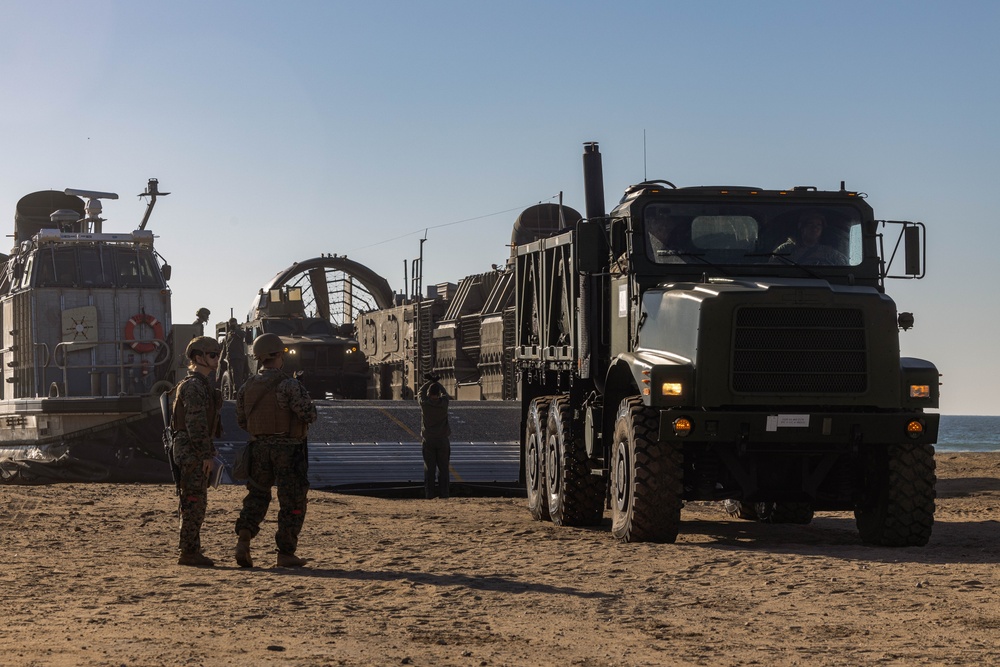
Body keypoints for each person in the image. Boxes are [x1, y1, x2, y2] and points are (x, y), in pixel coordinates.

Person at [234, 333, 317, 568]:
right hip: (288, 450)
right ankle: (286, 552)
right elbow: (309, 415)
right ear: (279, 355)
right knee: (292, 500)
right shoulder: (289, 385)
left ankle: (244, 538)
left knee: (257, 495)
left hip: (258, 448)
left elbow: (242, 421)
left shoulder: (246, 387)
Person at [169, 336, 223, 567]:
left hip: (193, 449)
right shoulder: (193, 386)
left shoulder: (201, 385)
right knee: (193, 501)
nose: (217, 359)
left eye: (217, 355)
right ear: (199, 358)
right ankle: (189, 552)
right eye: (213, 355)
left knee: (195, 500)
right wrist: (205, 455)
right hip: (191, 450)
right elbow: (195, 424)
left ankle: (191, 549)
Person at [417, 374, 451, 499]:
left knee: (429, 469)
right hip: (443, 440)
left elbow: (420, 392)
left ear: (429, 393)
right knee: (443, 469)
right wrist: (437, 383)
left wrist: (429, 381)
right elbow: (445, 393)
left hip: (429, 440)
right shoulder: (444, 404)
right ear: (438, 394)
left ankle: (429, 494)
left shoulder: (425, 405)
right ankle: (445, 494)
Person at [771, 212, 848, 265]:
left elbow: (845, 267)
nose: (815, 228)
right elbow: (772, 270)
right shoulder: (785, 249)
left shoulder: (829, 253)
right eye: (810, 224)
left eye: (818, 225)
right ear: (802, 227)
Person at [221, 317, 248, 394]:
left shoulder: (239, 333)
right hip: (230, 359)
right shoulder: (228, 335)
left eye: (234, 323)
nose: (232, 325)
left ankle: (238, 393)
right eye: (231, 323)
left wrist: (236, 330)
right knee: (231, 378)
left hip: (238, 359)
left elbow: (243, 335)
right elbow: (225, 347)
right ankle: (234, 392)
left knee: (237, 378)